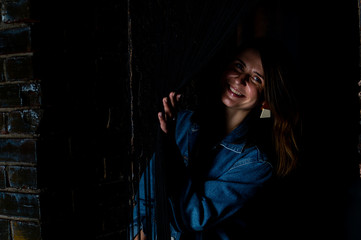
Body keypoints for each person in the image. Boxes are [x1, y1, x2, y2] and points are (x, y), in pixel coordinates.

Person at [130, 38, 301, 240]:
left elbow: (193, 217)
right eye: (238, 66)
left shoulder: (257, 163)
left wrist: (170, 148)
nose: (240, 80)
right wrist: (139, 231)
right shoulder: (182, 122)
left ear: (265, 101)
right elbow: (146, 193)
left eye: (256, 79)